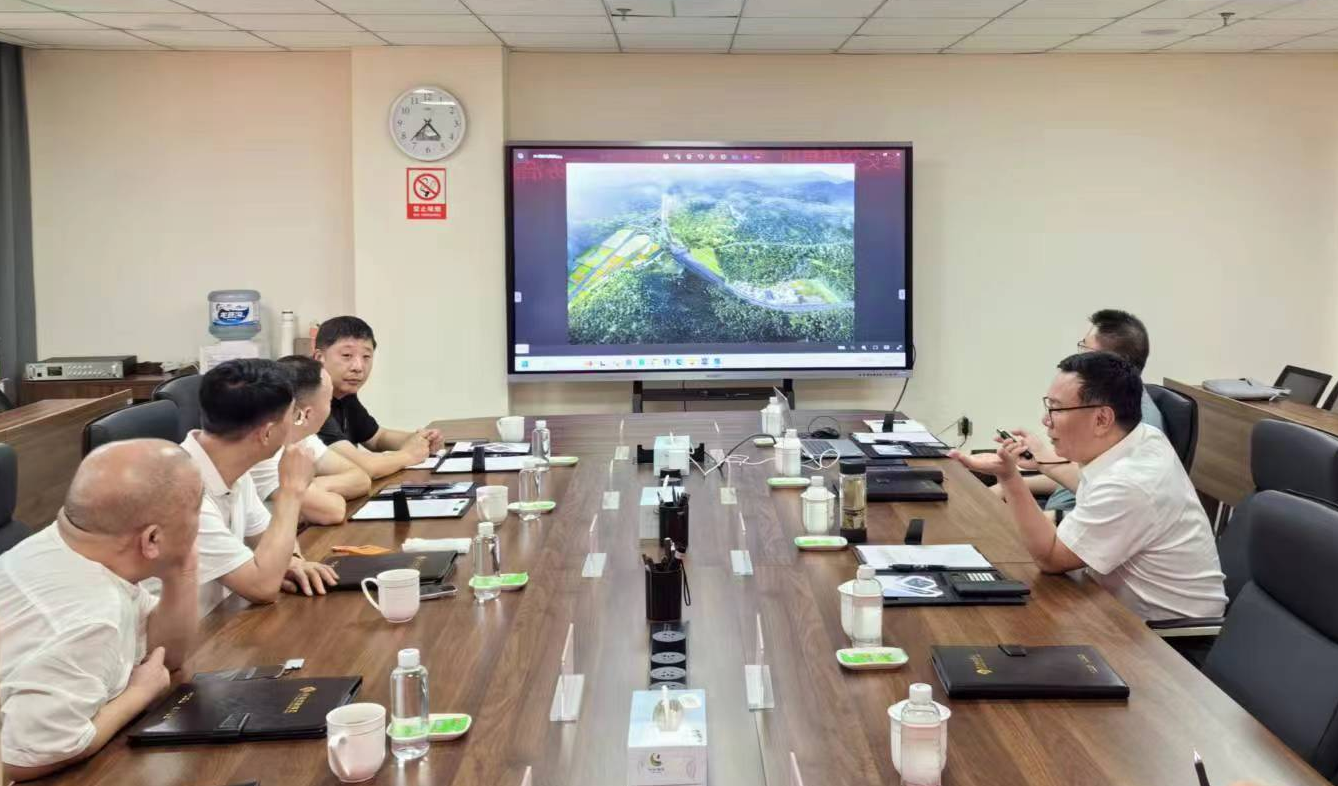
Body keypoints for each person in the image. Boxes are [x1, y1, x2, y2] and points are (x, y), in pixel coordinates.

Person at [953, 352, 1226, 621]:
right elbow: (1093, 483)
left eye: (1057, 409)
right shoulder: (1143, 437)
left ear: (1102, 419)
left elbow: (1051, 558)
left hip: (1169, 637)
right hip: (1116, 607)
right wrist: (1043, 461)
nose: (1046, 420)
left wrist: (1010, 478)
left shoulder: (1131, 483)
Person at [0, 440, 201, 781]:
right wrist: (138, 695)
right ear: (151, 539)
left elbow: (165, 656)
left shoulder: (68, 547)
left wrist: (183, 568)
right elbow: (28, 754)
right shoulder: (93, 617)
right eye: (197, 509)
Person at [183, 358, 336, 618]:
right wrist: (292, 491)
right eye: (294, 416)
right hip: (189, 635)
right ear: (266, 433)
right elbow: (262, 587)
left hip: (222, 618)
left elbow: (267, 537)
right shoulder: (183, 494)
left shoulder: (233, 466)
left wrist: (292, 562)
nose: (296, 424)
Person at [1001, 309, 1166, 517]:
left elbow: (1111, 502)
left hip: (1075, 518)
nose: (1046, 420)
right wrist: (1030, 471)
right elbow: (1084, 478)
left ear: (1113, 362)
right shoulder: (1107, 405)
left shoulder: (1135, 424)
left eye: (1085, 349)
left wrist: (1011, 485)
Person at [313, 316, 445, 479]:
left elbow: (376, 438)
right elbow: (364, 467)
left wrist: (419, 439)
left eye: (366, 357)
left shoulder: (344, 394)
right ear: (319, 358)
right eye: (347, 355)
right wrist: (409, 455)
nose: (358, 367)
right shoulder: (308, 399)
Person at [248, 355, 371, 525]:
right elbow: (333, 511)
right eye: (329, 401)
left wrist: (308, 485)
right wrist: (306, 489)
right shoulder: (263, 449)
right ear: (306, 414)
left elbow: (361, 479)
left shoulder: (302, 436)